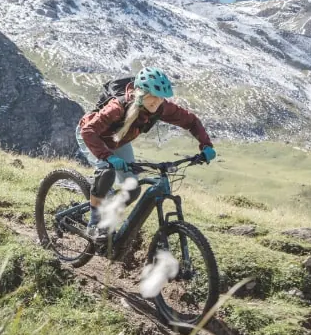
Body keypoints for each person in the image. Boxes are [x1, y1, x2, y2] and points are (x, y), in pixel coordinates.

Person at [76, 67, 216, 236]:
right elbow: (88, 131)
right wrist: (107, 157)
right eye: (153, 96)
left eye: (160, 98)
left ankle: (107, 215)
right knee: (106, 174)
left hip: (118, 142)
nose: (157, 102)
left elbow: (191, 121)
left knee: (132, 189)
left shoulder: (160, 108)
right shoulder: (118, 107)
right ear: (141, 93)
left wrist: (206, 144)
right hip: (93, 137)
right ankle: (93, 224)